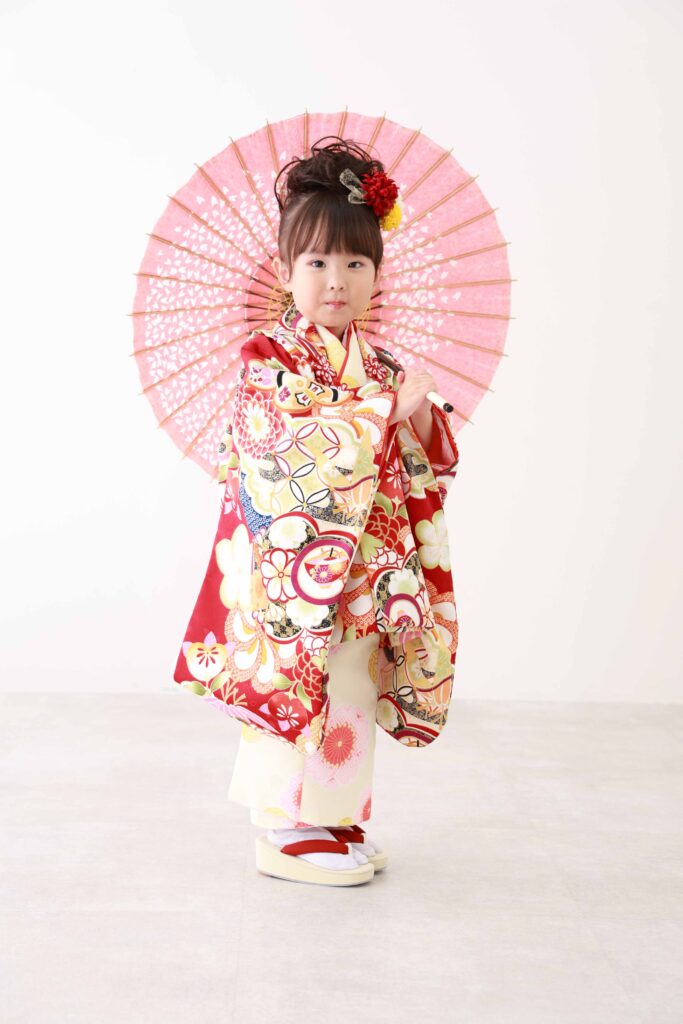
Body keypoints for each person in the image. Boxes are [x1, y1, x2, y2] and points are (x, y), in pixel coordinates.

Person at [172, 136, 460, 887]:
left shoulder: (381, 362)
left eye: (356, 263)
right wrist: (379, 411)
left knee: (351, 684)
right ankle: (283, 827)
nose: (337, 280)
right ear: (285, 270)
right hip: (291, 567)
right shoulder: (267, 357)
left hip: (366, 569)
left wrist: (415, 413)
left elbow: (429, 462)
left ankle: (332, 817)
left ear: (377, 273)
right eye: (318, 262)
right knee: (294, 676)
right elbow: (280, 446)